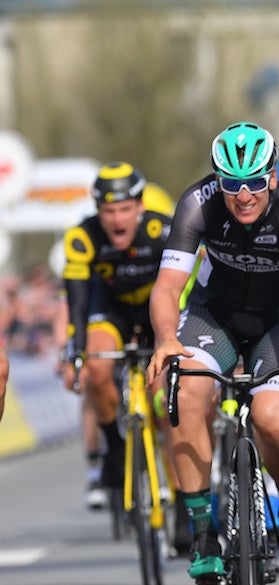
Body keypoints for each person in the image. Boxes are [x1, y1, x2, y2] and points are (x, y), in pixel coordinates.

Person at [147, 122, 279, 585]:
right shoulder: (198, 203)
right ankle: (202, 532)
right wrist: (167, 338)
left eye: (254, 181)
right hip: (217, 314)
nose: (243, 194)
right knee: (185, 393)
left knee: (272, 419)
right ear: (218, 181)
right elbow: (168, 287)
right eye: (232, 183)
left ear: (272, 177)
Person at [61, 162, 173, 509]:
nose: (118, 220)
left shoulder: (162, 229)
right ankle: (115, 446)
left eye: (126, 209)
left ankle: (183, 501)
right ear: (98, 211)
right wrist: (76, 352)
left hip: (156, 308)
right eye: (108, 211)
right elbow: (76, 302)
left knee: (165, 396)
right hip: (110, 308)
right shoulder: (82, 237)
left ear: (140, 207)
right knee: (95, 366)